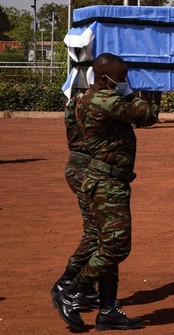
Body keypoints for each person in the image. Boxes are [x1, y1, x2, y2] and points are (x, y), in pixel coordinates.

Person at [53, 53, 159, 331]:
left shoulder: (93, 97)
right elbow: (148, 115)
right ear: (104, 78)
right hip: (106, 182)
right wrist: (134, 93)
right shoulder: (103, 99)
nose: (123, 81)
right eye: (120, 77)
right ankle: (73, 291)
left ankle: (108, 308)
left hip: (108, 179)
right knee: (116, 245)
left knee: (105, 243)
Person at [50, 86, 99, 312]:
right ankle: (68, 279)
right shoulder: (85, 101)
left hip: (83, 167)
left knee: (97, 230)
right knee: (96, 232)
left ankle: (86, 288)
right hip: (84, 169)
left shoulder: (77, 98)